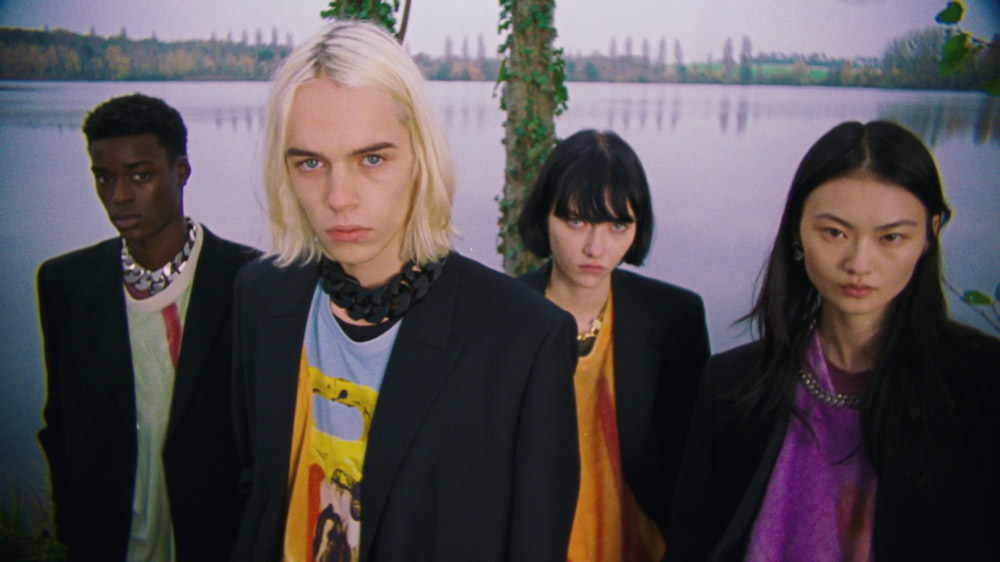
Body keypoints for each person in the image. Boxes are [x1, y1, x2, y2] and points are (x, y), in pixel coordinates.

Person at [230, 20, 580, 562]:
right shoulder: (260, 295)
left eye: (372, 159)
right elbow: (254, 487)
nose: (338, 197)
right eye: (311, 163)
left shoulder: (523, 340)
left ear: (421, 156)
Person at [665, 120, 1000, 561]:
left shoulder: (982, 382)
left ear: (929, 234)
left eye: (891, 237)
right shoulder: (731, 384)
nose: (859, 263)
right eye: (835, 233)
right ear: (796, 230)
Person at [36, 93, 258, 560]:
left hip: (218, 544)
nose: (118, 196)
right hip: (106, 541)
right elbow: (61, 422)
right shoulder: (66, 284)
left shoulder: (249, 283)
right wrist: (71, 522)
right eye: (104, 177)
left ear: (181, 171)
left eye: (140, 176)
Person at [518, 129, 710, 561]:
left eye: (617, 225)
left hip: (641, 543)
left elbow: (693, 465)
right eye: (576, 221)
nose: (595, 247)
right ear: (543, 215)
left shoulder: (674, 318)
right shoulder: (504, 316)